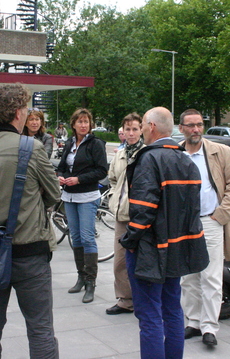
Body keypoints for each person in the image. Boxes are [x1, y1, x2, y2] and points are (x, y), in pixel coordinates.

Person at [0, 84, 61, 359]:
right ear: (18, 113)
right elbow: (54, 194)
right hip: (30, 249)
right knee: (40, 327)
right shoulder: (30, 147)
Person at [120, 106, 209, 359]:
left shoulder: (150, 159)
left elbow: (143, 211)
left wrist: (129, 240)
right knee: (172, 310)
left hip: (150, 250)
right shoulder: (186, 160)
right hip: (177, 248)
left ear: (151, 127)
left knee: (149, 315)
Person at [178, 109, 230, 347]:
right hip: (183, 224)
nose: (196, 129)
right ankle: (193, 322)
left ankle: (209, 327)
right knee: (187, 277)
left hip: (211, 220)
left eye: (199, 125)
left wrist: (219, 216)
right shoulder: (176, 153)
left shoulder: (221, 152)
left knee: (211, 276)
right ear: (181, 129)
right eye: (190, 125)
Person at [57, 108, 108, 303]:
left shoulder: (96, 144)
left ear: (90, 124)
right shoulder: (70, 143)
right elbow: (62, 165)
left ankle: (90, 283)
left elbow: (101, 170)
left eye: (86, 121)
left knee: (87, 237)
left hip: (87, 195)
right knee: (75, 237)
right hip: (69, 196)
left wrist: (78, 179)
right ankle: (80, 276)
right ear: (73, 124)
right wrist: (60, 176)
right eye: (80, 122)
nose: (83, 125)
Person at [106, 113, 144, 315]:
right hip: (122, 216)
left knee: (142, 259)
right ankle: (125, 299)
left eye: (135, 129)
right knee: (120, 261)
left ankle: (143, 300)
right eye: (127, 129)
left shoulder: (147, 153)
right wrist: (114, 198)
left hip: (142, 216)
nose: (131, 133)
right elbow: (112, 179)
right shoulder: (120, 155)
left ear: (141, 130)